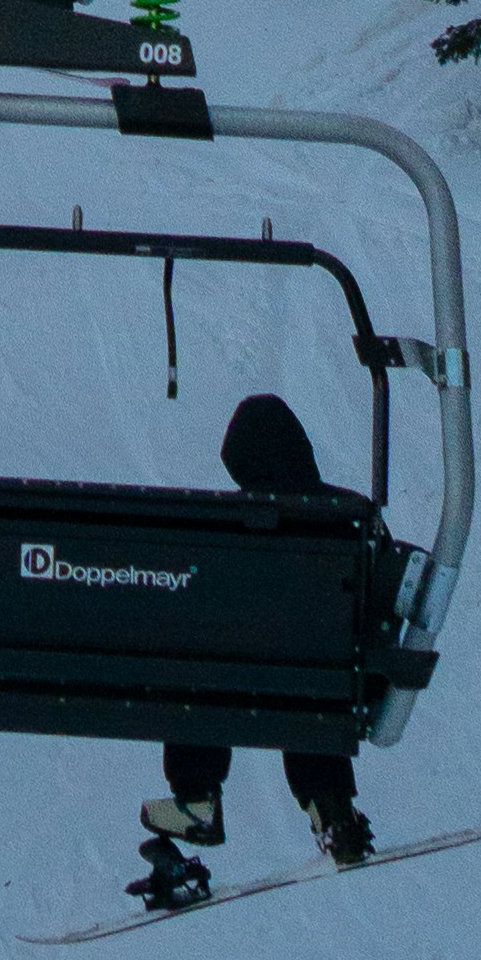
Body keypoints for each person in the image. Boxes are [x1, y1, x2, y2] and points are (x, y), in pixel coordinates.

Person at [132, 387, 381, 913]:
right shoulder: (352, 515)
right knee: (315, 677)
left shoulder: (226, 523)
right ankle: (330, 806)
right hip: (331, 682)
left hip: (243, 682)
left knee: (200, 662)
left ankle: (197, 798)